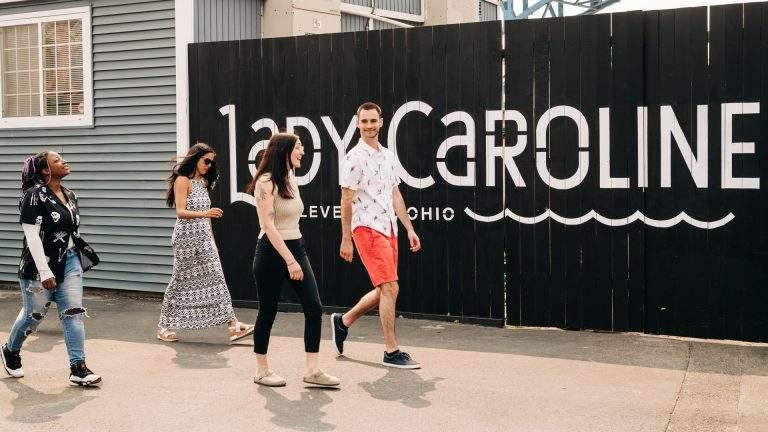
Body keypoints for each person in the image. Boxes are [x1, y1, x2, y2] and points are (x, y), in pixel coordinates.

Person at [330, 102, 423, 369]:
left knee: (387, 287)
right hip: (366, 228)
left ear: (381, 122)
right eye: (364, 121)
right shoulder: (354, 158)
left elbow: (395, 194)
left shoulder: (388, 156)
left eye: (373, 121)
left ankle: (343, 321)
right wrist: (346, 238)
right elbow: (345, 199)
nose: (369, 126)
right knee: (390, 287)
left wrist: (409, 228)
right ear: (357, 123)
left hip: (389, 227)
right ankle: (391, 352)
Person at [247, 133, 340, 387]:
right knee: (268, 311)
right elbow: (268, 225)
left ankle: (312, 370)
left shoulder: (290, 178)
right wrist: (289, 261)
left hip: (296, 246)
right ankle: (261, 371)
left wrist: (294, 256)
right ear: (285, 151)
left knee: (314, 307)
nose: (303, 152)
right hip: (271, 251)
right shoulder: (266, 182)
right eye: (299, 147)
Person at [1, 151, 102, 386]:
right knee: (33, 316)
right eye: (57, 161)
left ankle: (78, 368)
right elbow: (32, 237)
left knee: (74, 313)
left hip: (70, 260)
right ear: (46, 170)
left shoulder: (70, 194)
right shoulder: (33, 196)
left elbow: (71, 230)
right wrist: (45, 271)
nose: (64, 162)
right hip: (39, 265)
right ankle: (10, 350)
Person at [157, 143, 254, 342]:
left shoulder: (203, 183)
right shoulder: (183, 180)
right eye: (206, 161)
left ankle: (233, 325)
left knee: (217, 277)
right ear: (195, 159)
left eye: (211, 162)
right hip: (185, 239)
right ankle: (163, 326)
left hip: (204, 239)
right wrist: (204, 213)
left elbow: (207, 219)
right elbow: (180, 212)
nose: (209, 165)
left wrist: (213, 242)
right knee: (179, 280)